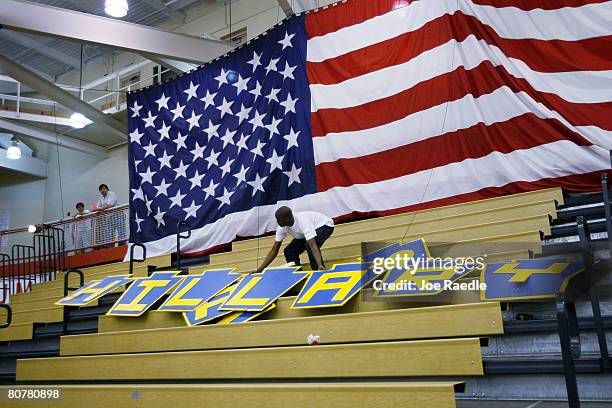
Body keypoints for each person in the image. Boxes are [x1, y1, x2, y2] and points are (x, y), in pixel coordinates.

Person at [255, 207, 334, 273]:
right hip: (305, 234)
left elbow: (313, 246)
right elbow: (274, 250)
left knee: (309, 245)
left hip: (325, 225)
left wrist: (320, 265)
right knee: (289, 251)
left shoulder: (302, 221)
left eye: (279, 219)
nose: (277, 222)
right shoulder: (281, 227)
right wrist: (260, 270)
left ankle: (319, 271)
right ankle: (298, 274)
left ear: (287, 218)